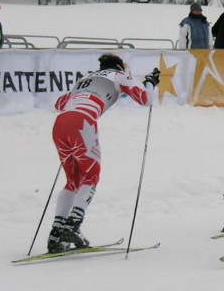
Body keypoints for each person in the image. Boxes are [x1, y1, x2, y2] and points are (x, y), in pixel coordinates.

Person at [47, 53, 160, 252]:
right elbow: (145, 99)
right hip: (82, 122)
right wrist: (150, 83)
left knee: (73, 180)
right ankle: (73, 224)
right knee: (91, 176)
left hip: (60, 124)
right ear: (119, 66)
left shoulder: (85, 79)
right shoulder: (119, 75)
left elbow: (59, 104)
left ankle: (57, 232)